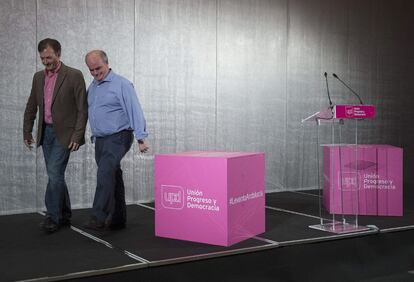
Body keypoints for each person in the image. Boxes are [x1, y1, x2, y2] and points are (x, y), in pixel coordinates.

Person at [23, 38, 88, 233]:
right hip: (46, 132)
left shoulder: (74, 75)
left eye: (49, 57)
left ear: (58, 54)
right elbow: (31, 106)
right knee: (56, 175)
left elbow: (82, 109)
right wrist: (27, 131)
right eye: (42, 58)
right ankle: (65, 213)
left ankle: (53, 217)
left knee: (54, 174)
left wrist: (77, 135)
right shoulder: (38, 77)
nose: (45, 61)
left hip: (66, 134)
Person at [84, 50, 149, 231]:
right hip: (101, 139)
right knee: (112, 175)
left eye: (98, 68)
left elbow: (134, 109)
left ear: (107, 63)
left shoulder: (122, 84)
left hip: (119, 136)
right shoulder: (93, 87)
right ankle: (118, 219)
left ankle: (98, 216)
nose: (96, 73)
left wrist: (141, 137)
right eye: (91, 70)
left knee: (104, 173)